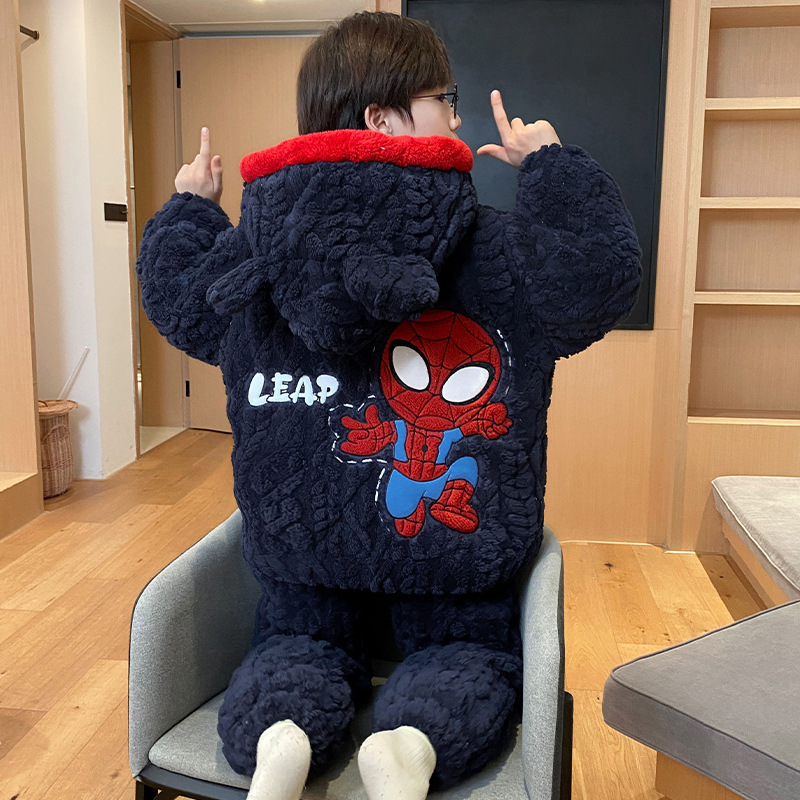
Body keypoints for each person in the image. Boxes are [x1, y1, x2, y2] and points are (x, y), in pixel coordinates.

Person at [137, 11, 642, 800]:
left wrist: (191, 205)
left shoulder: (255, 254)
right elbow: (599, 279)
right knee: (465, 657)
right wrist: (552, 166)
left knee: (294, 644)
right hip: (453, 559)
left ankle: (279, 736)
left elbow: (178, 299)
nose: (458, 118)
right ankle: (412, 745)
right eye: (446, 98)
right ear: (383, 117)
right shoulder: (497, 251)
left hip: (302, 559)